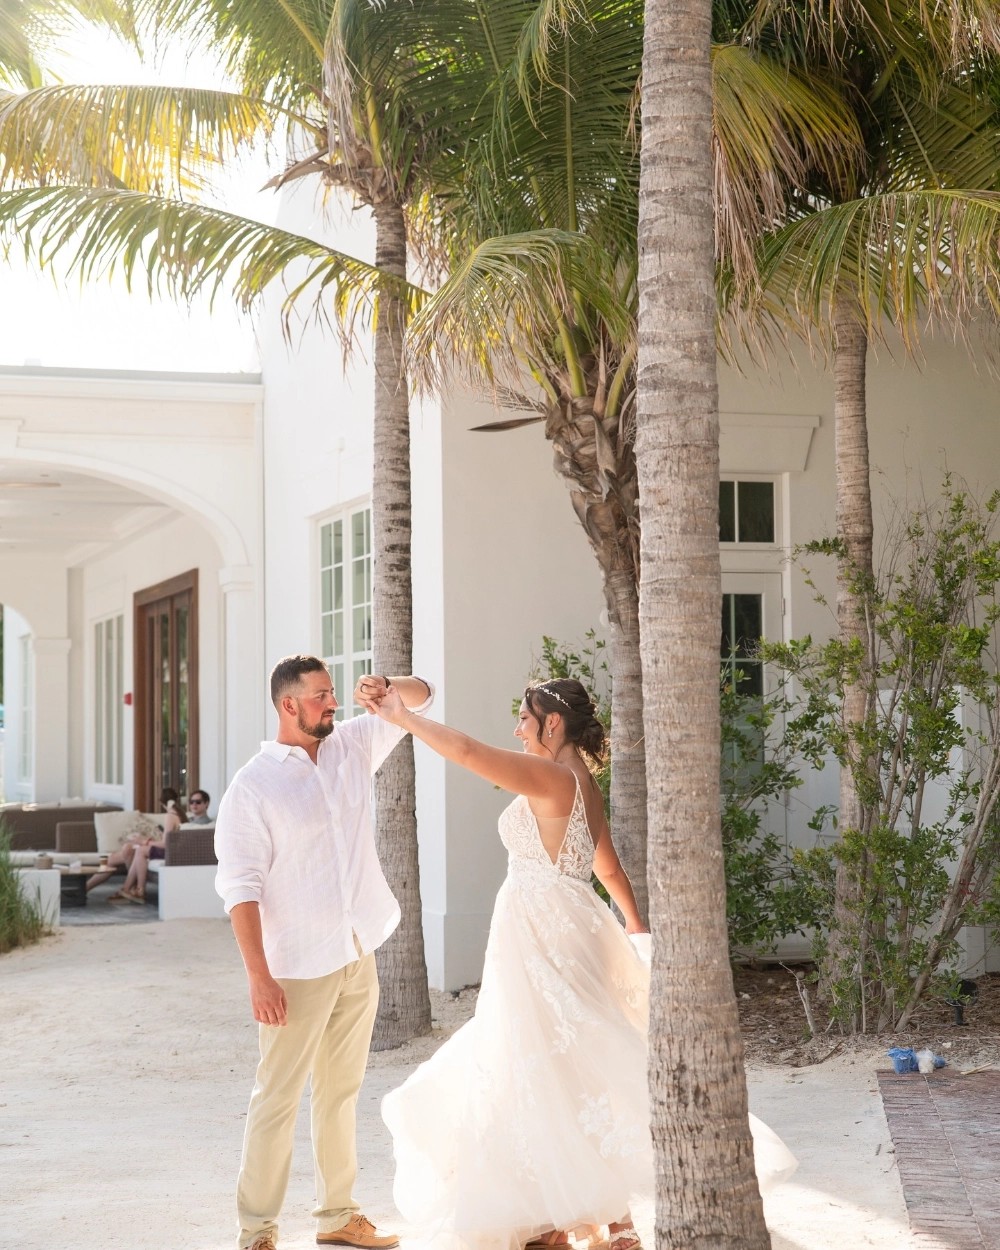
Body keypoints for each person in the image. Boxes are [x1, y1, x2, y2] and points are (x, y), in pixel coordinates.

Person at [367, 677, 796, 1250]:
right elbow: (609, 866)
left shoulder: (550, 776)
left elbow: (469, 754)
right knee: (563, 1060)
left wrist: (405, 719)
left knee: (541, 1057)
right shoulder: (586, 784)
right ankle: (593, 1221)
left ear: (552, 725)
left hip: (543, 931)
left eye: (524, 718)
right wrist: (635, 926)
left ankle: (593, 1221)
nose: (516, 729)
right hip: (567, 922)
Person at [214, 656, 434, 1250]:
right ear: (289, 706)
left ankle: (337, 1216)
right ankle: (257, 1229)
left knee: (340, 1092)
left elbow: (424, 696)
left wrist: (386, 689)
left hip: (356, 951)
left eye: (333, 693)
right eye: (320, 696)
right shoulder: (253, 788)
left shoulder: (352, 746)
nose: (332, 703)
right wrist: (259, 978)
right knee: (277, 1098)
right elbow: (241, 890)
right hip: (296, 968)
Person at [111, 787, 185, 904]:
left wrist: (144, 842)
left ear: (162, 803)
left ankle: (139, 890)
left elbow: (165, 844)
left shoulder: (170, 816)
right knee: (139, 850)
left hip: (172, 852)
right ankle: (128, 888)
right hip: (178, 850)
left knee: (141, 850)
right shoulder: (181, 814)